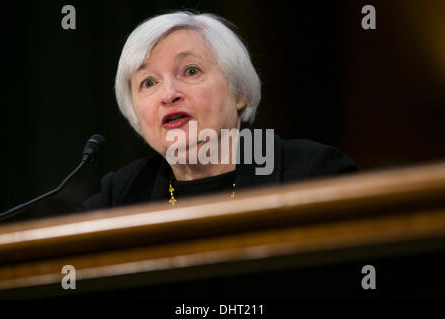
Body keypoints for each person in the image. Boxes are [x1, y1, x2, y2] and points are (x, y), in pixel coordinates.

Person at [82, 11, 358, 211]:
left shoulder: (312, 173)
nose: (168, 94)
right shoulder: (121, 196)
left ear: (239, 92)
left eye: (191, 70)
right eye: (149, 82)